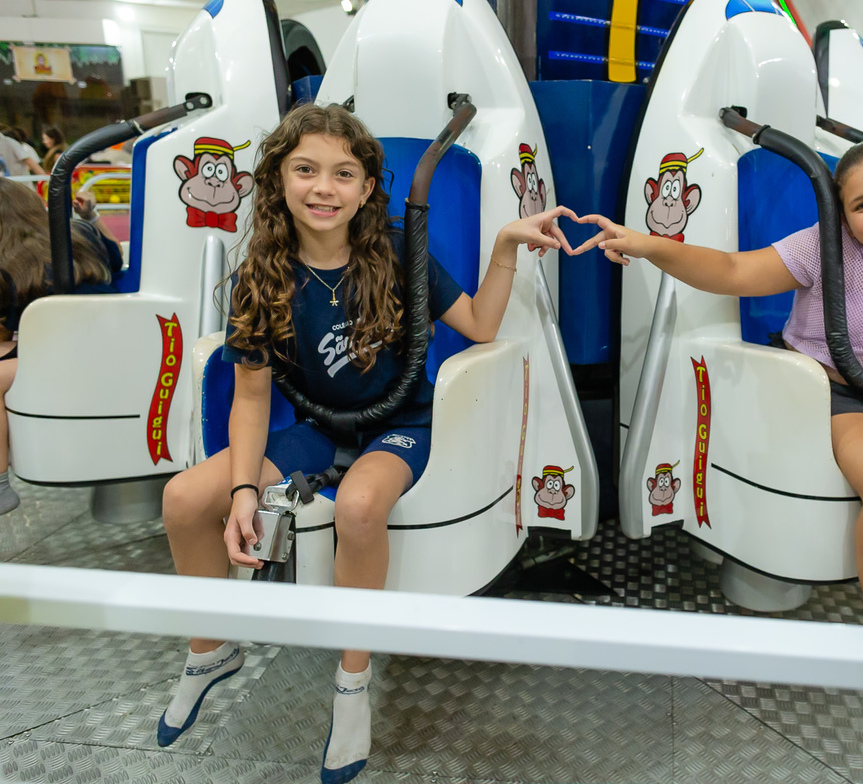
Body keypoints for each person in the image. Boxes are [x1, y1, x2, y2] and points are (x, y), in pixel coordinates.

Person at [156, 103, 575, 783]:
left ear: (367, 187)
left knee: (357, 508)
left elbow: (479, 323)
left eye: (343, 173)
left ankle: (353, 683)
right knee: (182, 499)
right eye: (306, 170)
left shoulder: (398, 253)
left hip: (399, 427)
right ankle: (210, 648)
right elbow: (254, 398)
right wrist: (240, 490)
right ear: (278, 180)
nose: (324, 188)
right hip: (318, 432)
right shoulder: (260, 276)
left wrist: (503, 250)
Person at [571, 140, 863, 731]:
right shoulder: (825, 249)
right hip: (829, 389)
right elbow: (735, 271)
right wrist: (646, 244)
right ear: (843, 215)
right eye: (862, 203)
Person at [0, 178, 122, 515]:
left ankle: (0, 485)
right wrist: (93, 217)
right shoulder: (80, 235)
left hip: (65, 365)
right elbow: (118, 258)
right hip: (119, 351)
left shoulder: (10, 267)